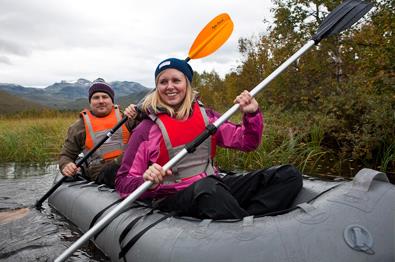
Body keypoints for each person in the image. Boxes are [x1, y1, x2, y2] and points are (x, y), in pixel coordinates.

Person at [116, 58, 303, 219]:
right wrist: (148, 181)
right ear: (157, 88)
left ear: (187, 85)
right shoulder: (145, 129)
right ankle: (244, 228)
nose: (170, 86)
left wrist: (252, 114)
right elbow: (123, 182)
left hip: (214, 186)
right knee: (207, 188)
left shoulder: (208, 118)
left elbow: (248, 143)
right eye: (163, 82)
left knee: (288, 175)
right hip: (173, 197)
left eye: (176, 80)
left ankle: (248, 220)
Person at [59, 78, 139, 188]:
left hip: (130, 164)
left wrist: (139, 113)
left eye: (105, 97)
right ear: (90, 102)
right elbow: (66, 155)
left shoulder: (127, 117)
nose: (101, 101)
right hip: (101, 172)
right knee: (119, 167)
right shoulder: (78, 127)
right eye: (96, 98)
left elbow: (147, 132)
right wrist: (66, 165)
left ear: (112, 101)